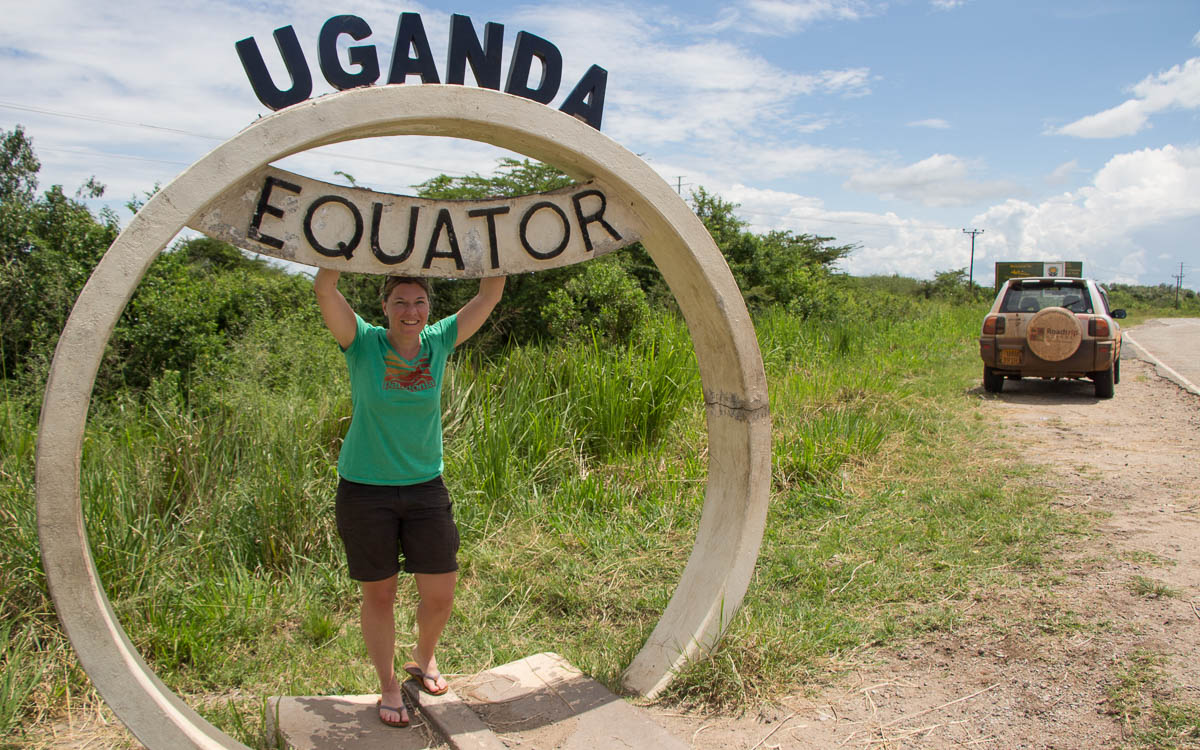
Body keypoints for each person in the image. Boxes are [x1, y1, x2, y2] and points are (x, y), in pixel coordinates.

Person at [314, 268, 505, 728]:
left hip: (424, 488)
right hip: (365, 490)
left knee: (440, 594)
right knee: (379, 596)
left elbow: (490, 292)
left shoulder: (439, 341)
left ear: (429, 308)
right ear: (384, 308)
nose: (410, 311)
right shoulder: (362, 342)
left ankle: (423, 657)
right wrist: (340, 248)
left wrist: (492, 246)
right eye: (400, 301)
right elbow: (325, 289)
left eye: (418, 301)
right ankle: (387, 686)